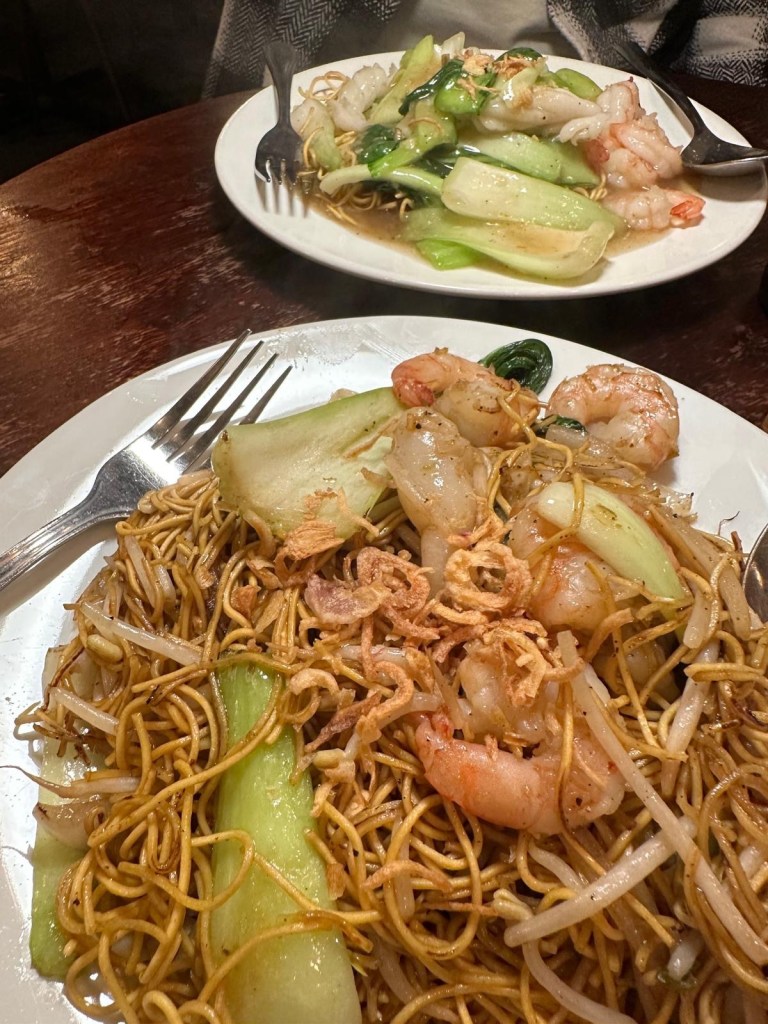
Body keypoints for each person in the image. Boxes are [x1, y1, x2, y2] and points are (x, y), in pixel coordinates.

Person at [202, 0, 768, 97]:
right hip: (366, 87)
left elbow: (742, 30)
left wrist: (720, 123)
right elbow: (267, 35)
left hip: (606, 91)